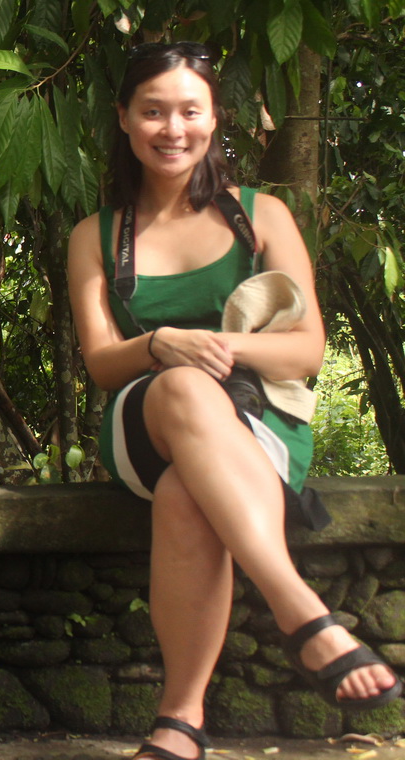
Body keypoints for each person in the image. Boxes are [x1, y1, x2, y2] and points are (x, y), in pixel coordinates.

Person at [67, 42, 400, 760]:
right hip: (143, 422)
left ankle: (180, 724)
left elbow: (306, 350)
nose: (173, 128)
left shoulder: (262, 216)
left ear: (215, 118)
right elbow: (101, 362)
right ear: (123, 118)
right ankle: (301, 610)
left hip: (258, 420)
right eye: (153, 111)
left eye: (190, 111)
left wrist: (218, 347)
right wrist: (163, 345)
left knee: (187, 493)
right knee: (183, 387)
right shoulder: (97, 235)